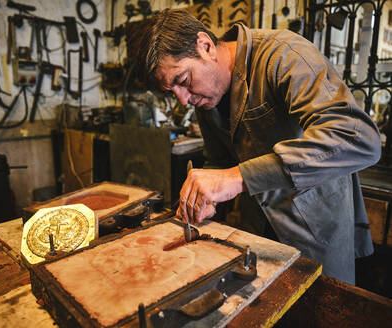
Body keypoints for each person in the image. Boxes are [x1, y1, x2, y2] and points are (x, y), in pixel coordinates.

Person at [137, 8, 381, 284]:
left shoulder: (285, 55)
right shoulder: (207, 95)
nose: (183, 100)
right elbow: (219, 160)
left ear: (205, 46)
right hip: (257, 234)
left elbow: (357, 138)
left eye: (183, 81)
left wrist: (237, 177)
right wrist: (206, 195)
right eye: (173, 92)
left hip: (315, 233)